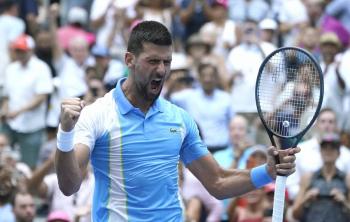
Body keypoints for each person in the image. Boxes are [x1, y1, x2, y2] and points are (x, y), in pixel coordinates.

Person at [55, 20, 299, 221]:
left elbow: (218, 182)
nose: (161, 70)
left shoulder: (179, 119)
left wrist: (267, 172)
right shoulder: (97, 114)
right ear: (129, 60)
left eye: (167, 62)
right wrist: (65, 133)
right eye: (153, 61)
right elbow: (69, 185)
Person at [292, 133, 350, 222]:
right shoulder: (308, 177)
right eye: (325, 148)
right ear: (320, 152)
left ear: (338, 153)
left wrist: (343, 201)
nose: (328, 151)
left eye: (332, 148)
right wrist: (306, 199)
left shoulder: (347, 179)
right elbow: (295, 214)